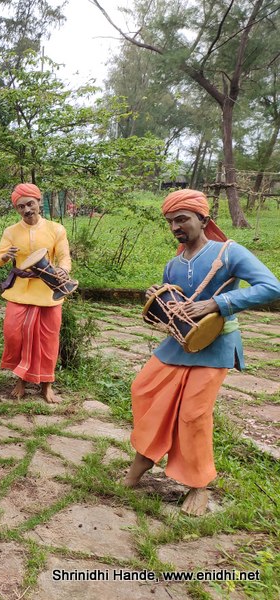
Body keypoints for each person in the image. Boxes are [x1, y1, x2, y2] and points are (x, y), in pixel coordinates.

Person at [124, 189, 280, 515]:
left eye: (182, 219)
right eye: (170, 222)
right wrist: (158, 295)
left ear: (204, 219)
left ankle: (198, 485)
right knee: (144, 390)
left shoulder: (229, 253)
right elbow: (174, 302)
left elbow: (272, 287)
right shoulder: (173, 264)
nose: (175, 227)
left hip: (216, 343)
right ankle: (145, 459)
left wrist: (218, 303)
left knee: (193, 414)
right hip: (179, 343)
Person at [0, 183, 71, 403]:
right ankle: (21, 379)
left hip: (48, 291)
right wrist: (5, 256)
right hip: (19, 291)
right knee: (14, 333)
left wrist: (64, 270)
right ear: (16, 209)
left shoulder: (56, 229)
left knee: (48, 339)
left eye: (30, 204)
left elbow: (64, 257)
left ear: (38, 202)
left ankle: (47, 385)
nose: (27, 210)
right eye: (21, 207)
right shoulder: (11, 231)